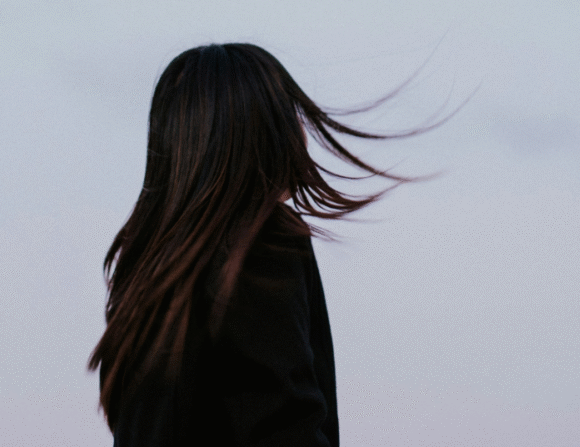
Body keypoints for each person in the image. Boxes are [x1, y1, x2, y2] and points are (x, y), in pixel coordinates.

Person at [88, 43, 435, 446]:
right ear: (259, 133)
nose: (303, 134)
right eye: (289, 115)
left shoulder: (148, 272)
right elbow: (285, 428)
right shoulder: (258, 242)